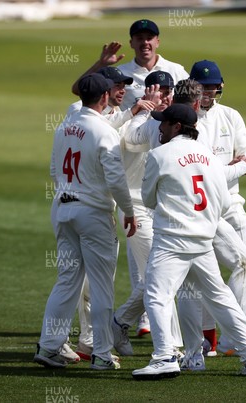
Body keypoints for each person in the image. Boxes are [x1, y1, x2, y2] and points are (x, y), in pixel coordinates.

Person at [132, 104, 246, 380]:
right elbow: (224, 201)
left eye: (165, 123)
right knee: (220, 298)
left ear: (177, 126)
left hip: (171, 241)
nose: (160, 128)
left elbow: (147, 199)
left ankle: (164, 357)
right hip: (203, 240)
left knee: (156, 296)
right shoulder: (209, 156)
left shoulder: (159, 155)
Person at [34, 73, 137, 370]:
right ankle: (102, 354)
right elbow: (116, 179)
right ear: (104, 98)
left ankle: (50, 345)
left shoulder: (64, 125)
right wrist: (129, 211)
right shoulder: (104, 132)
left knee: (67, 281)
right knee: (103, 285)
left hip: (63, 209)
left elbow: (55, 169)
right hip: (92, 213)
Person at [70, 67, 157, 361]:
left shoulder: (118, 115)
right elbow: (101, 125)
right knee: (86, 279)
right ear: (103, 90)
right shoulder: (81, 113)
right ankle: (94, 344)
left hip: (89, 205)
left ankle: (83, 340)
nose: (122, 90)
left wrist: (135, 112)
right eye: (117, 86)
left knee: (87, 278)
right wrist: (134, 111)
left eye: (124, 85)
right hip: (96, 205)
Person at [188, 60, 246, 356]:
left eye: (213, 88)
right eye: (204, 88)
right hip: (201, 209)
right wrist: (233, 166)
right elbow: (202, 169)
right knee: (205, 278)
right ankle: (211, 339)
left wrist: (239, 165)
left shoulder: (230, 116)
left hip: (232, 204)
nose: (209, 93)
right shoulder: (186, 118)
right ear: (193, 86)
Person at [111, 71, 184, 357]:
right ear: (147, 93)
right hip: (135, 207)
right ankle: (173, 346)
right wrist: (145, 108)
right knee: (160, 277)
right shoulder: (134, 119)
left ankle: (120, 322)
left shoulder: (171, 125)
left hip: (163, 208)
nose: (163, 96)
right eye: (158, 91)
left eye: (167, 91)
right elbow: (131, 139)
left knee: (159, 277)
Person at [71, 19, 189, 111]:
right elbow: (79, 89)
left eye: (149, 38)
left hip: (166, 137)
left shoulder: (176, 70)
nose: (145, 43)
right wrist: (101, 64)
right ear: (131, 43)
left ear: (157, 42)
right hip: (132, 139)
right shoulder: (120, 74)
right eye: (140, 38)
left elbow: (195, 97)